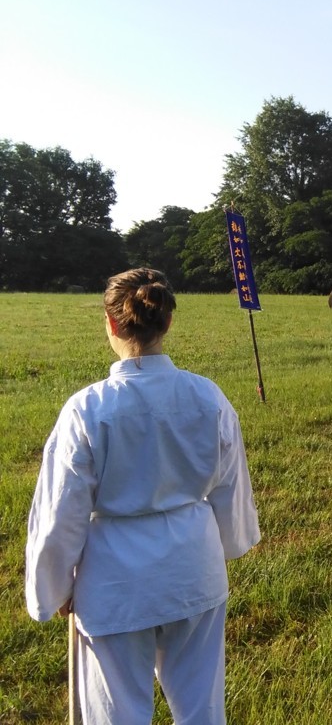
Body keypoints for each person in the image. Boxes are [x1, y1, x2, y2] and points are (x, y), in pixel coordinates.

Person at [25, 268, 261, 724]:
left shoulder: (88, 409)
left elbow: (60, 513)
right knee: (202, 712)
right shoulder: (207, 397)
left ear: (111, 324)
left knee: (118, 715)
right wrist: (230, 544)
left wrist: (53, 588)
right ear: (167, 322)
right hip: (194, 572)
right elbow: (231, 486)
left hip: (117, 584)